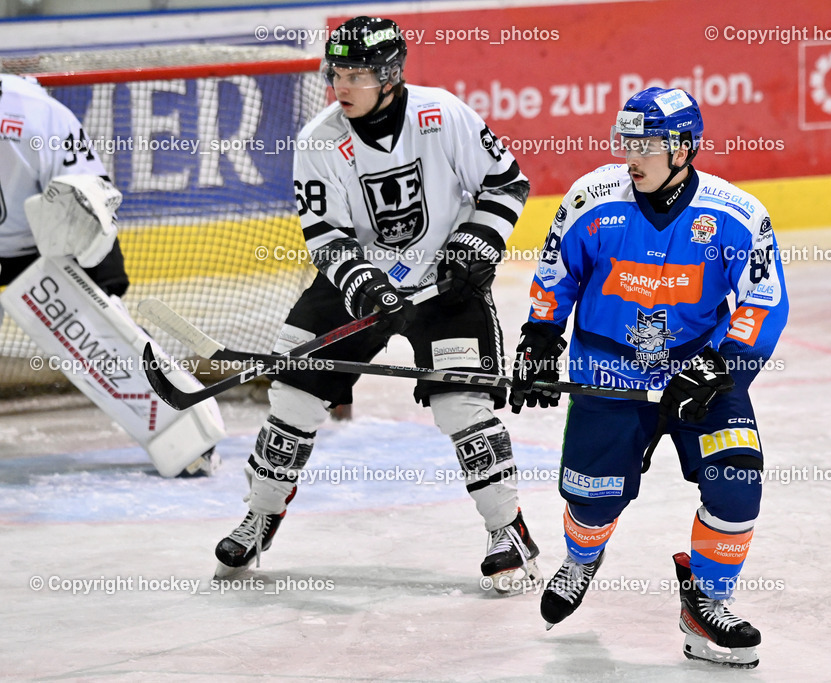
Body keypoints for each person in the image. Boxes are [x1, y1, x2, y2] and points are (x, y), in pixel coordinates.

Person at [214, 16, 540, 592]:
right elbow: (324, 233)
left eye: (357, 73)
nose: (341, 85)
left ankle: (509, 531)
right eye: (336, 72)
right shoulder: (319, 140)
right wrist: (367, 285)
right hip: (357, 289)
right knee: (293, 395)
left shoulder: (442, 116)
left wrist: (476, 243)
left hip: (445, 284)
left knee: (461, 407)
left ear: (390, 76)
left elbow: (507, 183)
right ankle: (261, 514)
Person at [510, 87, 788, 668]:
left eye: (647, 144)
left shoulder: (736, 214)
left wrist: (725, 365)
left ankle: (707, 601)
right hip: (607, 371)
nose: (631, 155)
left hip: (699, 373)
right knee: (592, 504)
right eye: (626, 141)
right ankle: (583, 559)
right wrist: (540, 337)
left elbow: (763, 299)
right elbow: (556, 271)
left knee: (738, 481)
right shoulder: (592, 198)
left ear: (684, 148)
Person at [0, 72, 222, 477]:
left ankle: (187, 432)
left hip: (54, 236)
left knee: (105, 335)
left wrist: (96, 291)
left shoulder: (39, 116)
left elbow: (89, 199)